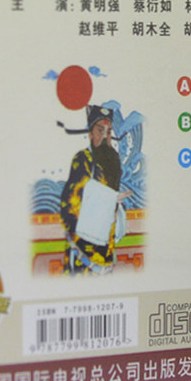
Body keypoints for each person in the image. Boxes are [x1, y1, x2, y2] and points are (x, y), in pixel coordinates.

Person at [59, 106, 128, 274]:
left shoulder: (113, 162)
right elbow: (71, 204)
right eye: (100, 131)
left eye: (109, 132)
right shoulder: (84, 159)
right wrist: (110, 199)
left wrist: (116, 208)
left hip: (106, 250)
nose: (105, 136)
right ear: (90, 134)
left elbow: (113, 205)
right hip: (83, 252)